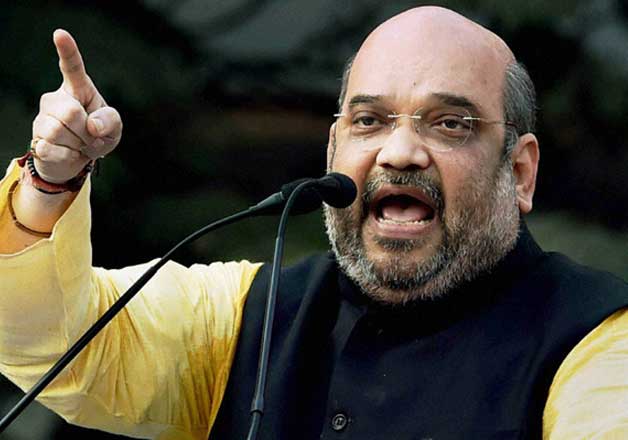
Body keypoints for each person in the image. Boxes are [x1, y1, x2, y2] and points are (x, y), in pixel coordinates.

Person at [0, 5, 627, 440]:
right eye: (369, 121)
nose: (399, 152)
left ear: (519, 172)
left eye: (449, 124)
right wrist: (50, 184)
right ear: (332, 152)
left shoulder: (598, 342)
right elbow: (52, 344)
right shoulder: (246, 317)